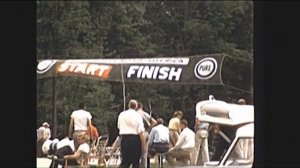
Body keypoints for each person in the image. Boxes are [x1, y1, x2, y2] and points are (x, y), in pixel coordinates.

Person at [117, 99, 146, 168]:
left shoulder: (122, 114)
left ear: (128, 106)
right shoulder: (137, 115)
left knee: (125, 161)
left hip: (124, 139)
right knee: (135, 162)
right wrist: (143, 143)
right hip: (135, 139)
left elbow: (119, 126)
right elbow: (140, 130)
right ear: (136, 106)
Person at [136, 101, 157, 168]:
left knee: (137, 152)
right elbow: (154, 122)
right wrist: (149, 128)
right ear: (141, 107)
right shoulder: (145, 113)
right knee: (144, 153)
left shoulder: (136, 114)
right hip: (146, 132)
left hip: (138, 133)